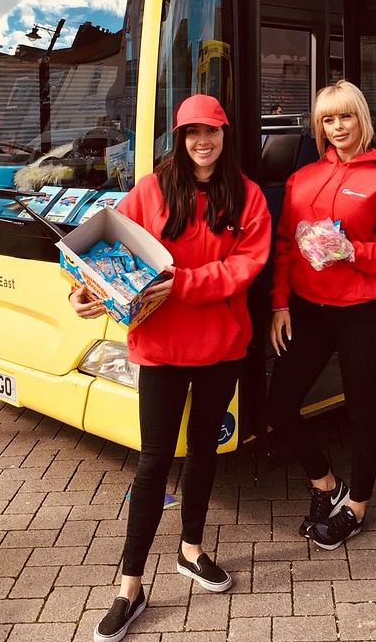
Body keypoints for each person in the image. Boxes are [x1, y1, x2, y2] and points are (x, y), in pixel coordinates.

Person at [70, 94, 271, 642]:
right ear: (178, 139)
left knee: (203, 452)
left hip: (221, 346)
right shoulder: (151, 191)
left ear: (225, 134)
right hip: (159, 346)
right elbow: (103, 253)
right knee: (154, 462)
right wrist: (83, 294)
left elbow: (243, 269)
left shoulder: (248, 197)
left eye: (210, 131)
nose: (201, 142)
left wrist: (180, 281)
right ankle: (129, 588)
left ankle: (191, 551)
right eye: (190, 133)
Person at [268, 80, 376, 550]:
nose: (337, 127)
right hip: (308, 310)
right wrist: (280, 304)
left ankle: (358, 506)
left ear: (360, 119)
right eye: (327, 120)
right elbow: (286, 247)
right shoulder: (301, 178)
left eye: (345, 117)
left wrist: (354, 250)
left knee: (363, 411)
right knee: (280, 406)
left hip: (362, 313)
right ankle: (328, 486)